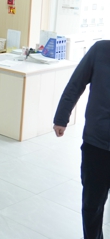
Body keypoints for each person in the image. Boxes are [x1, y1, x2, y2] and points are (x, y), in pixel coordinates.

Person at [53, 40, 110, 239]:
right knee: (92, 205)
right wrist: (61, 117)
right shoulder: (100, 50)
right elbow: (75, 83)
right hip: (97, 143)